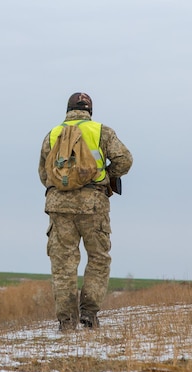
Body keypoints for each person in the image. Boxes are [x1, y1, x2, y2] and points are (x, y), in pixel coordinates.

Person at [38, 92, 133, 331]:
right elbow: (125, 161)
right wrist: (107, 177)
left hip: (58, 207)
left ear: (68, 110)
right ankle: (89, 315)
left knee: (64, 265)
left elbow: (43, 174)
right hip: (93, 205)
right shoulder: (102, 131)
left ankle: (67, 322)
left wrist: (63, 187)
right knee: (99, 259)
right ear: (90, 111)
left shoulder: (52, 134)